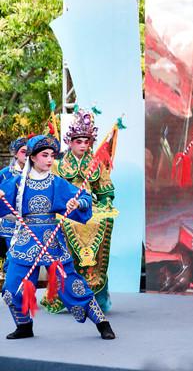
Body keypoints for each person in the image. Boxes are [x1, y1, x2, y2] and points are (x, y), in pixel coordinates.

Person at [0, 135, 115, 339]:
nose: (49, 160)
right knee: (12, 286)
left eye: (52, 156)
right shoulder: (18, 183)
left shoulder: (56, 182)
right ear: (32, 157)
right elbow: (3, 199)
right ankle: (24, 326)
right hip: (26, 239)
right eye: (44, 155)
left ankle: (102, 323)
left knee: (71, 285)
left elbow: (84, 197)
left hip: (51, 239)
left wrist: (77, 203)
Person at [41, 108, 116, 313]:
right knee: (63, 247)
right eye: (78, 141)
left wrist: (106, 201)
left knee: (103, 223)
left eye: (86, 141)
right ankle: (62, 297)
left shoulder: (96, 165)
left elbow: (105, 192)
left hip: (89, 210)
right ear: (70, 142)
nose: (83, 145)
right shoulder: (58, 165)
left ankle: (96, 295)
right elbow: (52, 192)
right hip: (64, 211)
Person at [0, 137, 28, 276]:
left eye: (29, 152)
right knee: (11, 255)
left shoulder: (34, 174)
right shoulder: (5, 174)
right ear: (15, 154)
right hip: (10, 221)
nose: (26, 155)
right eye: (23, 151)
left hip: (28, 222)